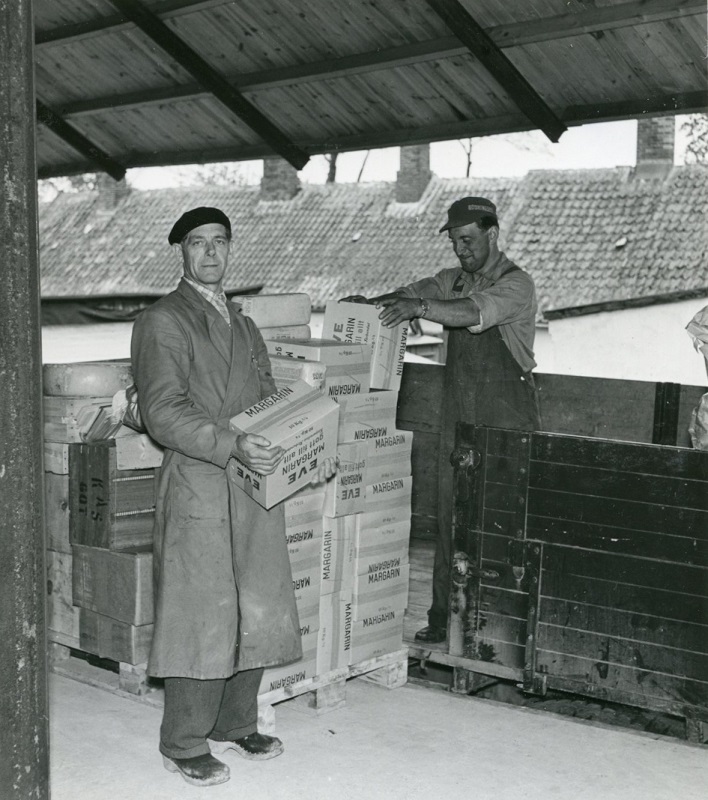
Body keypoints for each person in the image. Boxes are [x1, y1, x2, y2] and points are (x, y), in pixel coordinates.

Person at [131, 207, 335, 787]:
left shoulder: (243, 323)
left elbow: (270, 398)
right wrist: (232, 443)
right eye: (199, 244)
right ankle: (184, 741)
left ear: (230, 249)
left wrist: (307, 442)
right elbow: (162, 412)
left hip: (253, 481)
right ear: (182, 252)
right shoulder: (163, 320)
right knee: (202, 612)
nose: (211, 254)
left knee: (257, 600)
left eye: (220, 242)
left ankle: (235, 721)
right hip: (200, 480)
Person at [342, 196, 540, 644]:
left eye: (468, 240)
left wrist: (420, 310)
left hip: (507, 420)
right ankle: (441, 620)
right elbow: (409, 297)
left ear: (492, 234)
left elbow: (471, 313)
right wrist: (367, 306)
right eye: (454, 242)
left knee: (503, 521)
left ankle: (503, 631)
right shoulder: (450, 280)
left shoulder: (516, 284)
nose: (461, 250)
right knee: (451, 514)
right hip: (459, 417)